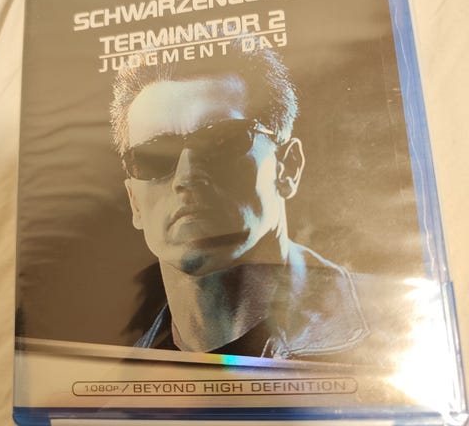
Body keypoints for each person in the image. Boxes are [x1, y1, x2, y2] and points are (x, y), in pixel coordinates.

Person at [109, 39, 369, 359]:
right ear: (134, 201)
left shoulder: (389, 326)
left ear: (287, 167)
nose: (187, 176)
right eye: (154, 157)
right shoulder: (113, 384)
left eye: (221, 140)